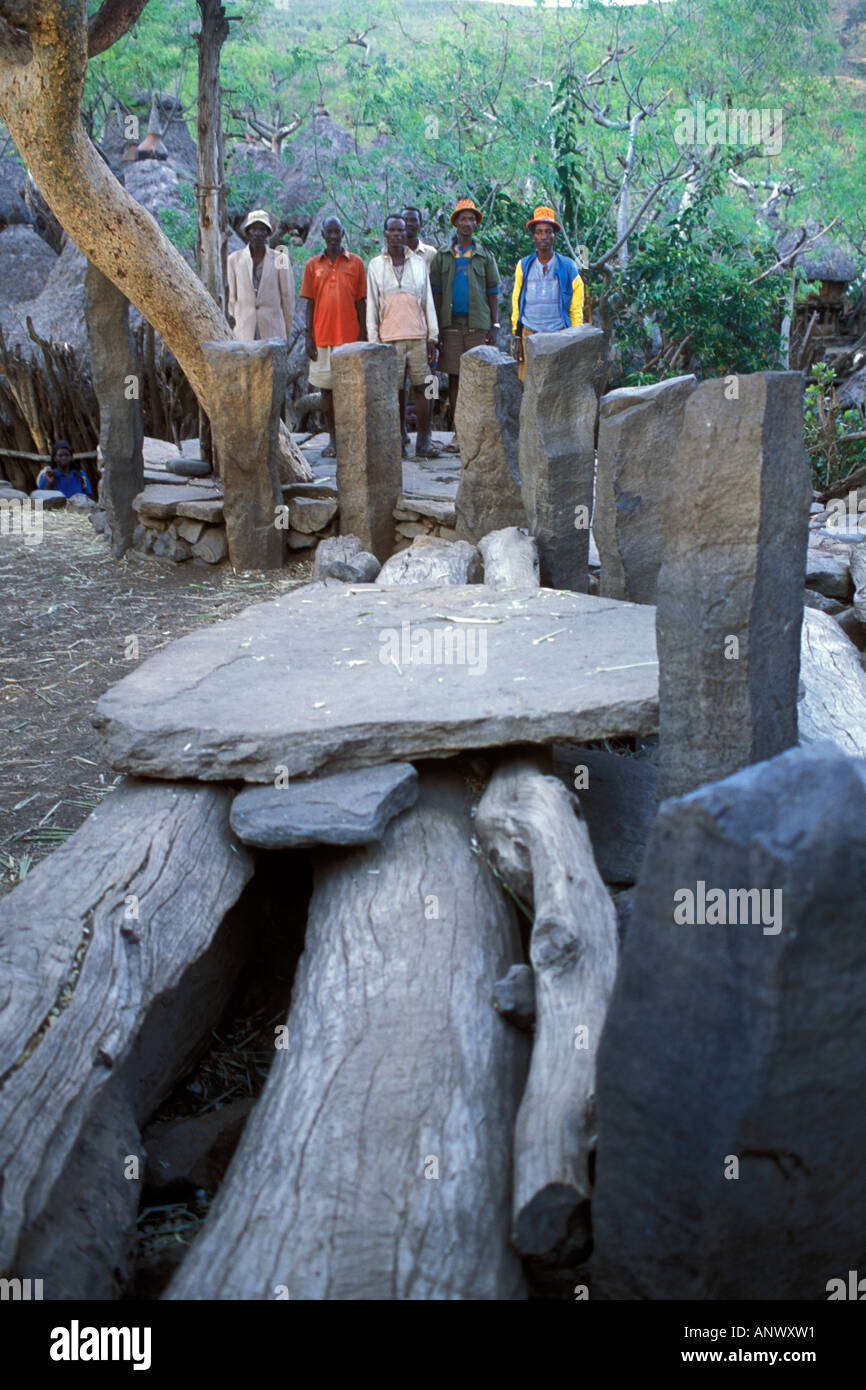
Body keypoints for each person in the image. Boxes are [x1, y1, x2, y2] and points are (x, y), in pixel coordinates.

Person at [367, 214, 439, 460]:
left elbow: (427, 300)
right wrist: (374, 340)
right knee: (395, 391)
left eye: (401, 231)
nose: (397, 235)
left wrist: (433, 336)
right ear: (385, 234)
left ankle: (425, 440)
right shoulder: (376, 265)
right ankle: (396, 440)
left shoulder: (418, 263)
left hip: (418, 336)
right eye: (393, 231)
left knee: (427, 387)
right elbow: (372, 304)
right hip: (389, 339)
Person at [430, 199, 501, 444]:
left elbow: (493, 291)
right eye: (463, 218)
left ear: (476, 224)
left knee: (478, 379)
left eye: (472, 219)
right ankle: (459, 434)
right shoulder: (442, 256)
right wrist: (436, 328)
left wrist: (494, 325)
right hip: (450, 327)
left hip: (477, 326)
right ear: (456, 222)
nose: (467, 223)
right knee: (455, 379)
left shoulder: (484, 256)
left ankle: (477, 434)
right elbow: (436, 292)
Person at [299, 216, 367, 458]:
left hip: (349, 339)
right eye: (329, 232)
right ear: (322, 234)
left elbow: (361, 302)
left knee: (351, 391)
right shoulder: (312, 265)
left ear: (343, 233)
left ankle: (352, 439)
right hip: (322, 337)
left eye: (337, 232)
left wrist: (363, 335)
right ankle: (333, 440)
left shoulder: (356, 263)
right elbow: (309, 303)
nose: (333, 236)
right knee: (327, 392)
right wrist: (309, 336)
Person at [511, 206, 585, 383]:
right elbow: (516, 302)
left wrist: (574, 338)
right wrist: (517, 337)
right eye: (538, 232)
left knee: (556, 386)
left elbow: (576, 307)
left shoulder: (568, 267)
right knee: (527, 386)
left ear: (554, 235)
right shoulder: (524, 265)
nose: (543, 237)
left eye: (548, 232)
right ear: (533, 236)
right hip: (529, 334)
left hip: (557, 336)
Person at [227, 209, 295, 342]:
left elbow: (287, 298)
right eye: (254, 229)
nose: (258, 233)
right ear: (248, 232)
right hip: (244, 331)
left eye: (263, 229)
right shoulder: (234, 260)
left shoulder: (280, 260)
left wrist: (286, 333)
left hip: (273, 330)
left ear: (268, 233)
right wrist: (235, 328)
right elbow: (232, 299)